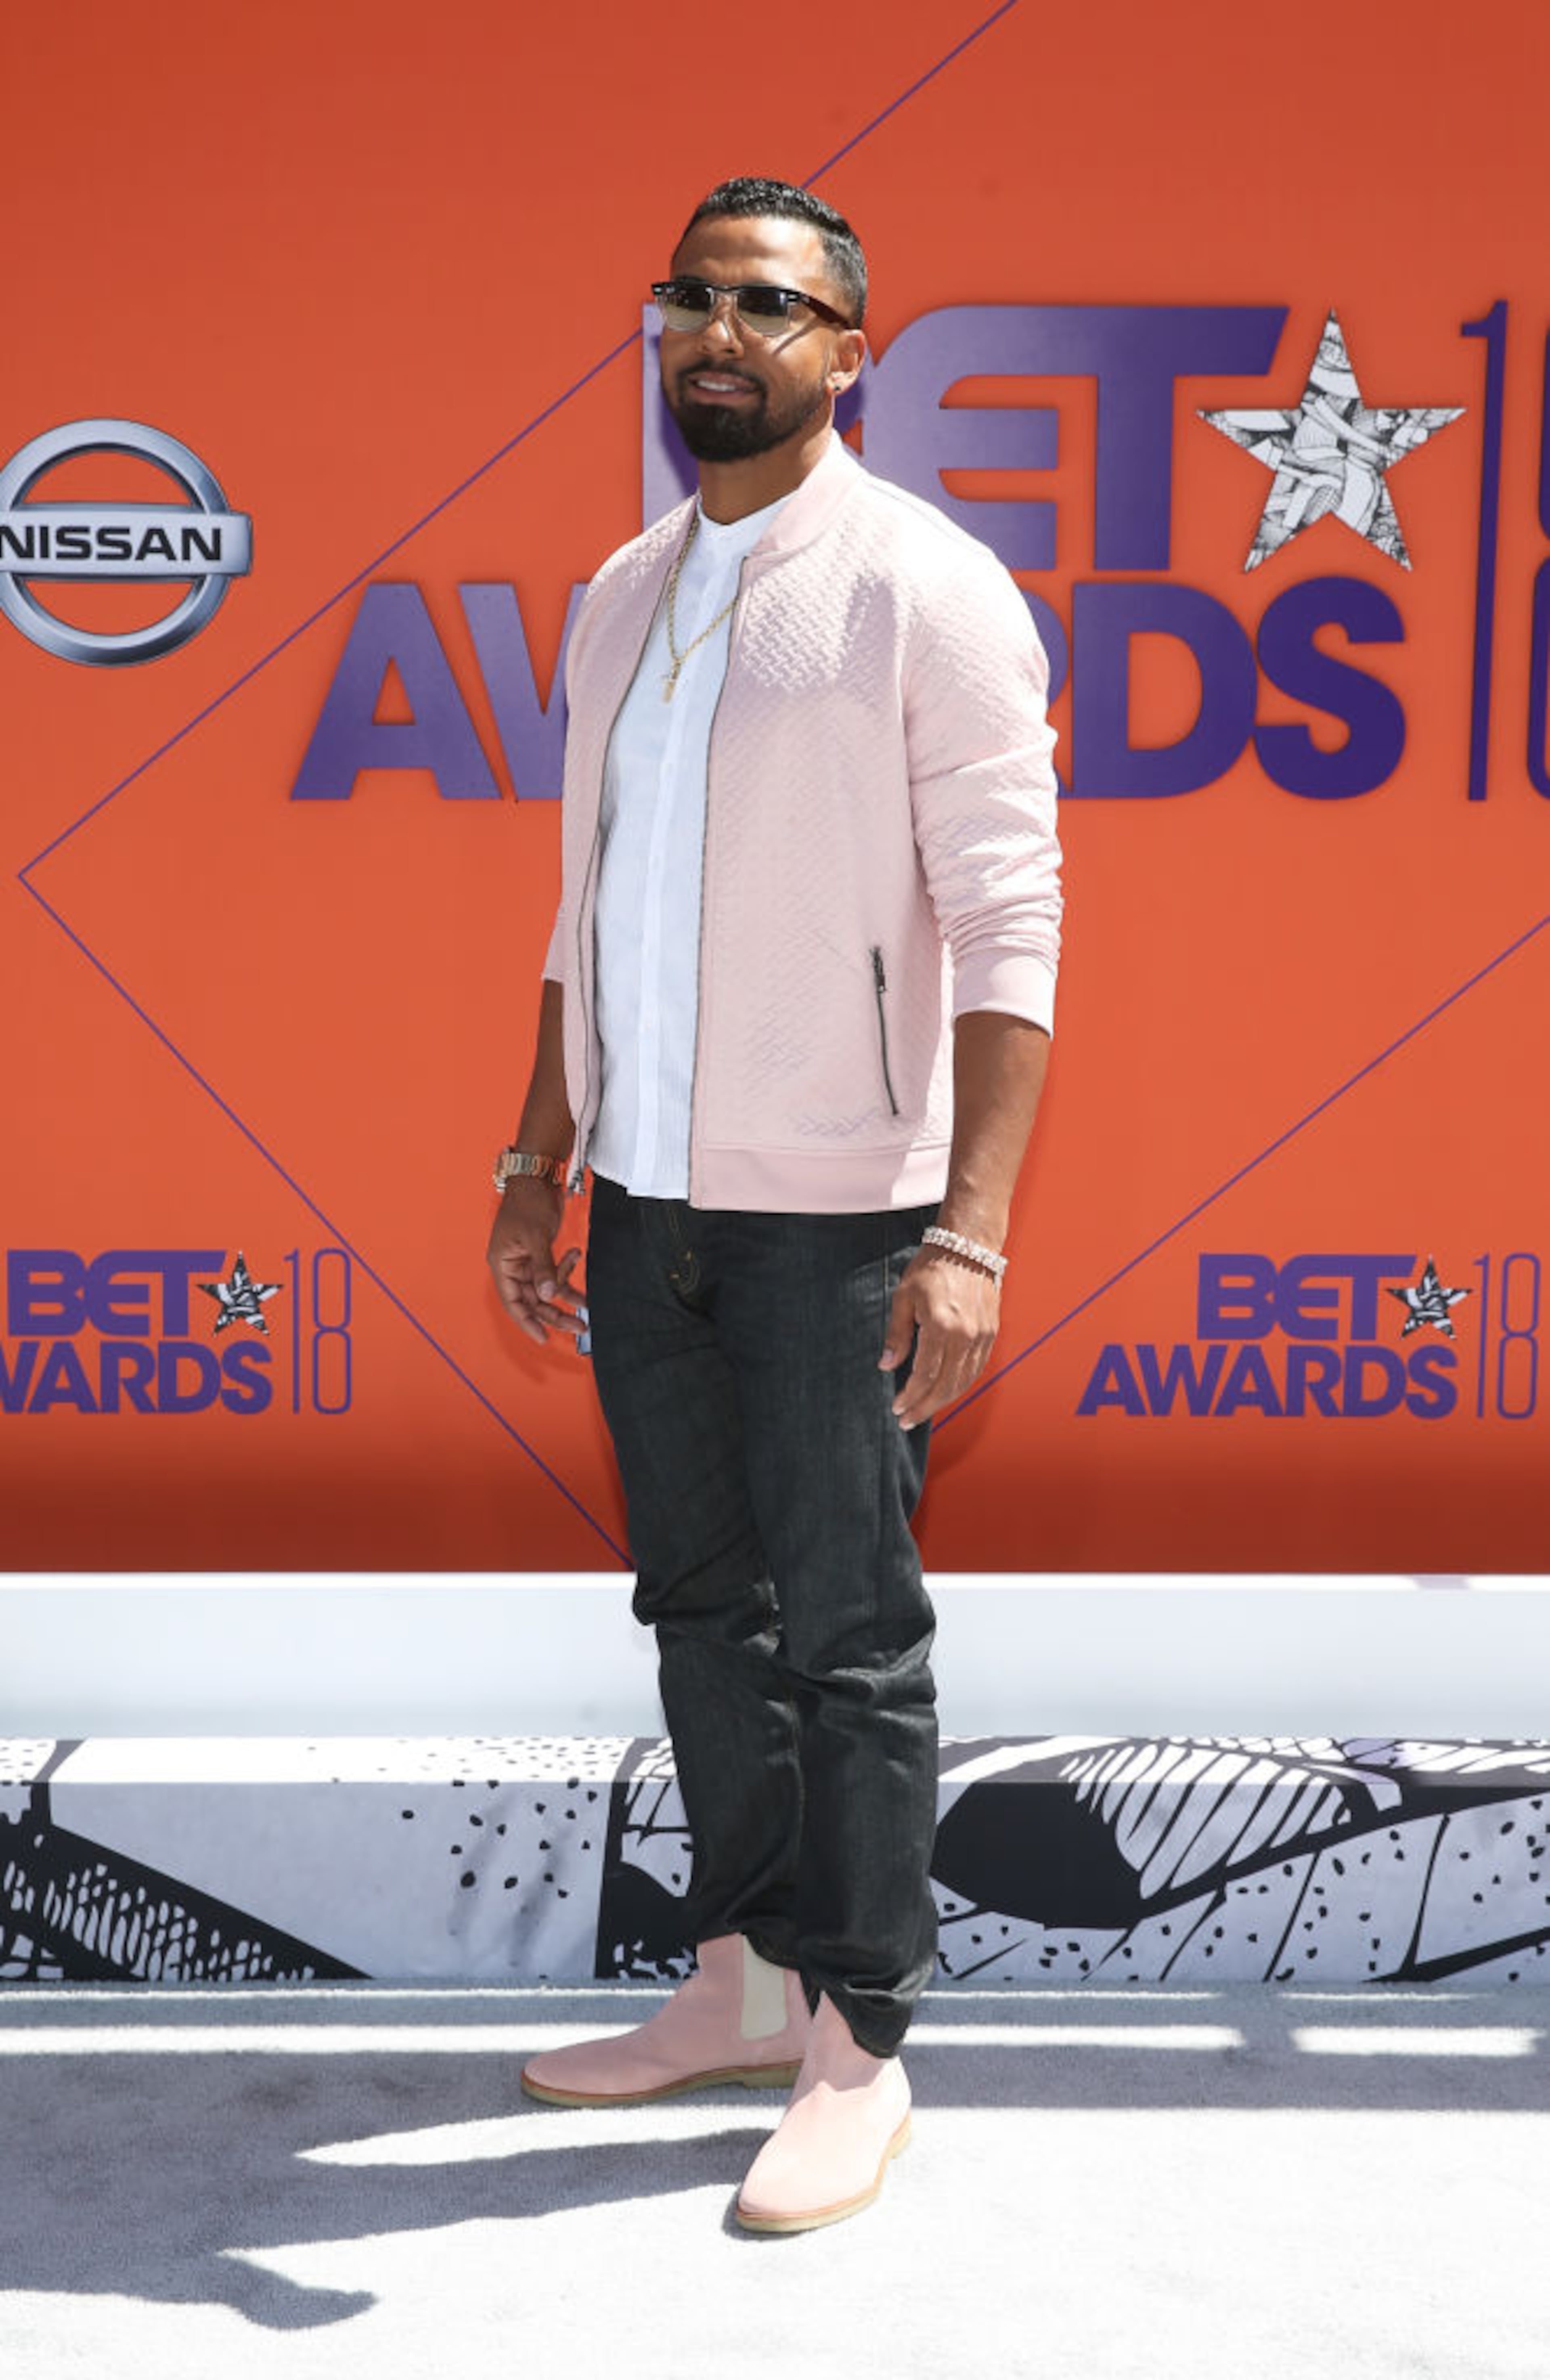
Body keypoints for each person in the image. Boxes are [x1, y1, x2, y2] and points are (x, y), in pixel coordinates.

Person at [486, 175, 1061, 2234]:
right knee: (697, 1614)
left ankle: (861, 2043)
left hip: (844, 1216)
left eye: (770, 301)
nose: (718, 329)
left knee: (850, 1639)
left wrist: (970, 1230)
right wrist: (537, 1160)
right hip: (643, 1205)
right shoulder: (620, 596)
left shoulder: (929, 587)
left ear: (850, 351)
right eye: (689, 295)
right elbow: (585, 919)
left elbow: (1010, 925)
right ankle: (741, 1978)